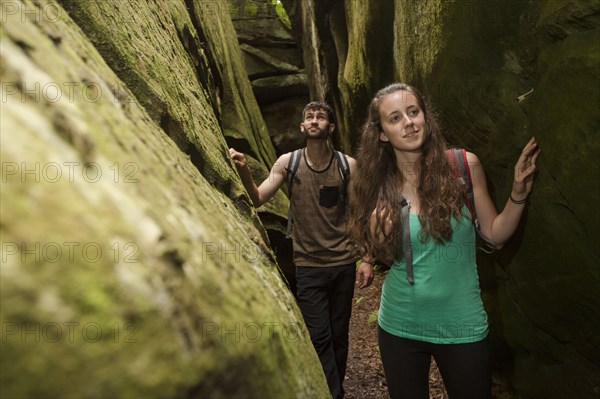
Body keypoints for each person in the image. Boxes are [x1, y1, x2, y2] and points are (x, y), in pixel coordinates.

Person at [347, 83, 540, 399]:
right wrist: (380, 244)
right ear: (381, 133)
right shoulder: (376, 185)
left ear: (425, 117)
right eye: (394, 118)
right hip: (400, 327)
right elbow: (385, 256)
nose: (408, 122)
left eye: (413, 112)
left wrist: (518, 193)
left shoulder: (463, 166)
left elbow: (495, 234)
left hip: (462, 326)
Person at [229, 101, 374, 399]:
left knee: (338, 337)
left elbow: (359, 213)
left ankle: (335, 387)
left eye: (320, 117)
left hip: (343, 263)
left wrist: (367, 258)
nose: (314, 120)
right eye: (309, 117)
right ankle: (334, 395)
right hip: (307, 266)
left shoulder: (348, 166)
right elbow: (258, 198)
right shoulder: (288, 163)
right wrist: (244, 169)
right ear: (302, 126)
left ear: (330, 127)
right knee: (320, 337)